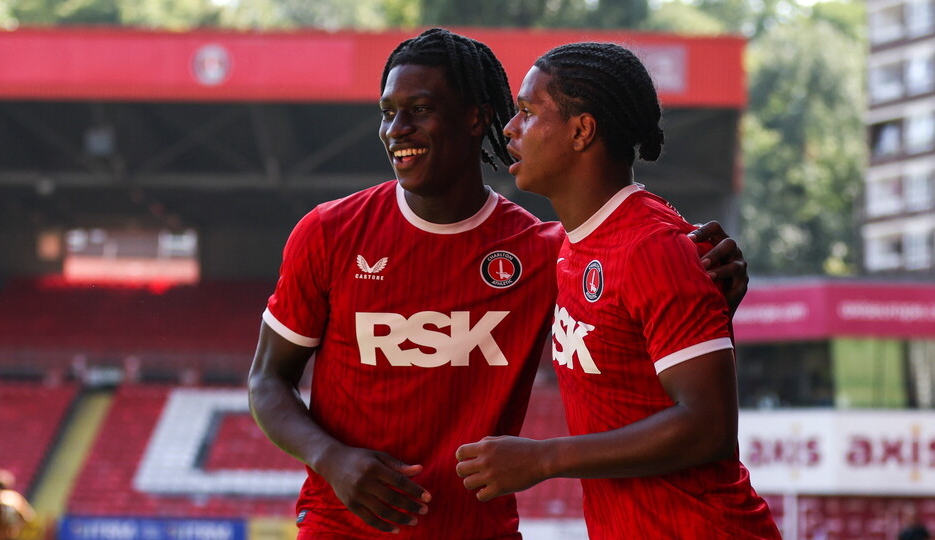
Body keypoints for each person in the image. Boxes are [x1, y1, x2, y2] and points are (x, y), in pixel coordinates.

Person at [248, 29, 748, 539]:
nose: (396, 129)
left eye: (418, 109)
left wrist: (708, 280)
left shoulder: (546, 250)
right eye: (387, 111)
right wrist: (330, 458)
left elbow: (639, 281)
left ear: (474, 117)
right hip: (342, 526)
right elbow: (266, 378)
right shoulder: (329, 233)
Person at [455, 42, 780, 539]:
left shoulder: (654, 246)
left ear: (582, 130)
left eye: (526, 112)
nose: (509, 128)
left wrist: (546, 457)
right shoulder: (572, 245)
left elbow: (710, 427)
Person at [0, 469, 35, 540]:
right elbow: (29, 516)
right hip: (13, 535)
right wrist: (17, 528)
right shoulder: (16, 497)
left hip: (0, 536)